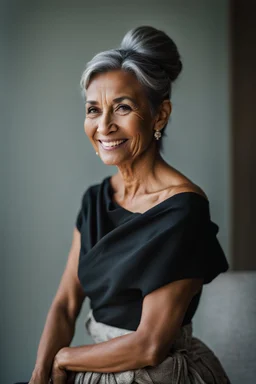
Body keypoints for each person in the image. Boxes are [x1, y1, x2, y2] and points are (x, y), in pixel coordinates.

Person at [15, 26, 230, 384]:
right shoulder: (95, 200)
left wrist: (66, 358)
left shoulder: (182, 211)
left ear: (159, 116)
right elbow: (67, 303)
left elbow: (149, 345)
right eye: (93, 110)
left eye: (123, 108)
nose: (104, 126)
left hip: (160, 374)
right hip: (95, 368)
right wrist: (40, 375)